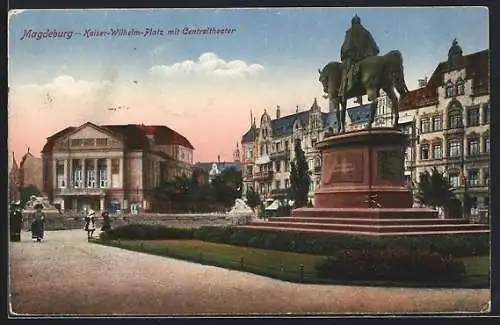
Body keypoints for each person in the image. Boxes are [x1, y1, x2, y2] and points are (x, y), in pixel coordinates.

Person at [339, 15, 380, 103]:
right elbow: (376, 48)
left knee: (345, 71)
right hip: (367, 57)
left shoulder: (350, 32)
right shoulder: (367, 32)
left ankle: (343, 92)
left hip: (354, 57)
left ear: (352, 23)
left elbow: (345, 46)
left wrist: (343, 54)